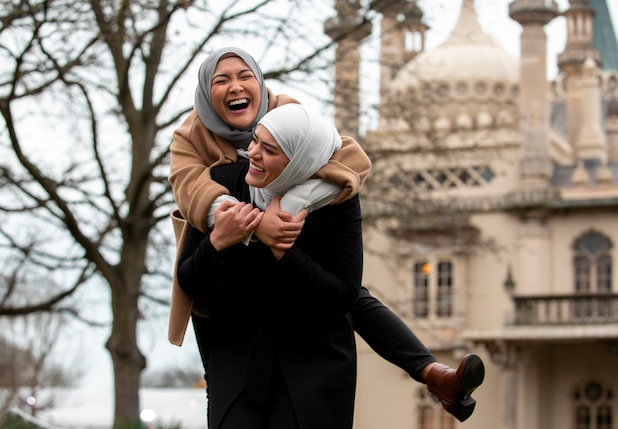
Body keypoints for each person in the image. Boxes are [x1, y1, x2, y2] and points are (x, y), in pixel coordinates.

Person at [168, 46, 484, 422]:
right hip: (230, 300)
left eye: (244, 76)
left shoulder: (290, 120)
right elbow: (192, 195)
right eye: (221, 80)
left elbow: (346, 159)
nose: (235, 87)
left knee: (350, 295)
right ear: (207, 92)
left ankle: (432, 372)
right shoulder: (196, 145)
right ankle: (429, 370)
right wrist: (252, 225)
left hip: (304, 316)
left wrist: (291, 207)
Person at [178, 103, 362, 429]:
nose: (253, 153)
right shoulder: (224, 184)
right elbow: (188, 280)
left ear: (300, 161)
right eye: (254, 141)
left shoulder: (336, 201)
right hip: (240, 357)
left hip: (313, 364)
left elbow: (344, 295)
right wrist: (218, 241)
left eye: (269, 149)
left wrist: (285, 252)